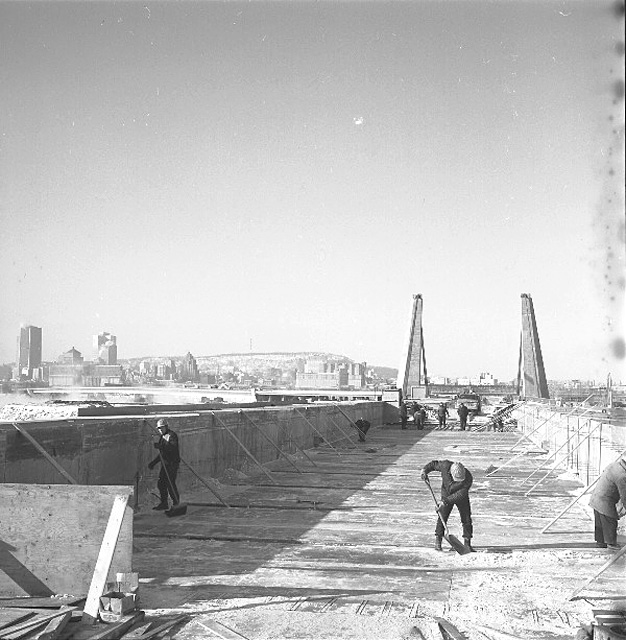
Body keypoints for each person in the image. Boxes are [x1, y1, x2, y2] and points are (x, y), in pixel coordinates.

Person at [421, 459, 475, 551]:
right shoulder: (445, 466)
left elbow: (460, 494)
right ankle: (438, 541)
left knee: (466, 518)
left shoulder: (468, 477)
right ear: (451, 473)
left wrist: (444, 502)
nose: (458, 482)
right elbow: (434, 464)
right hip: (446, 493)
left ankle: (467, 543)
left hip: (461, 497)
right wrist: (425, 470)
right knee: (442, 517)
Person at [589, 455, 626, 551]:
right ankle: (611, 548)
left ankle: (601, 544)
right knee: (610, 524)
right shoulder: (622, 476)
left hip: (596, 498)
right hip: (605, 502)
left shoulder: (614, 465)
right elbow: (625, 496)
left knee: (600, 527)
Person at [148, 418, 181, 510]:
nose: (160, 430)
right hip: (165, 464)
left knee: (170, 484)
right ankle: (164, 503)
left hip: (172, 464)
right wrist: (153, 463)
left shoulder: (172, 435)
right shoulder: (162, 437)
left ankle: (176, 504)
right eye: (159, 428)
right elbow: (162, 454)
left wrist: (161, 446)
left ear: (166, 427)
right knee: (161, 483)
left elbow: (172, 448)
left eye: (161, 428)